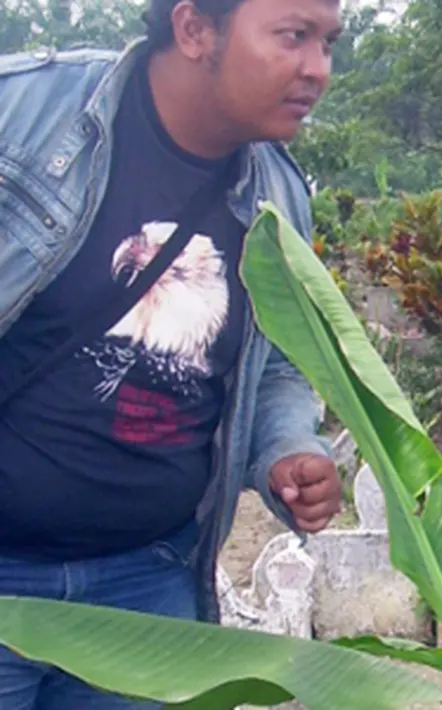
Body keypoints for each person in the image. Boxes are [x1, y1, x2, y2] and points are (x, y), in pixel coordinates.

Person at [0, 0, 345, 706]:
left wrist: (285, 449)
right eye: (293, 36)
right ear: (194, 29)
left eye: (328, 42)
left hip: (146, 588)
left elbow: (276, 364)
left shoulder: (279, 195)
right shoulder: (29, 115)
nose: (318, 69)